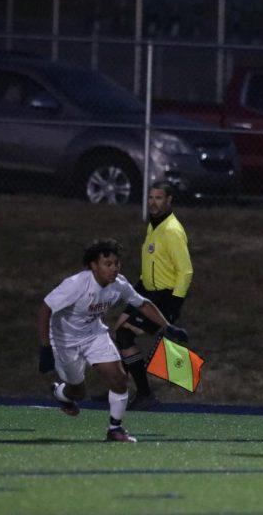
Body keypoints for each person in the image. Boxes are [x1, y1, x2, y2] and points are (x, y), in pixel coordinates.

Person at [37, 238, 188, 442]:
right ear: (93, 265)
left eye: (117, 263)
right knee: (78, 391)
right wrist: (45, 348)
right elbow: (45, 310)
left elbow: (142, 304)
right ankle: (62, 394)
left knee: (118, 377)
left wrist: (168, 327)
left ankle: (115, 429)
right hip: (65, 341)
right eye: (108, 264)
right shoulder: (76, 285)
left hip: (94, 335)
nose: (114, 268)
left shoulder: (119, 285)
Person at [114, 181, 193, 410]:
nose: (153, 202)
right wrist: (134, 295)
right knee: (119, 330)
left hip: (162, 296)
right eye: (151, 198)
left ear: (169, 201)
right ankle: (119, 386)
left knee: (125, 335)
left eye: (159, 198)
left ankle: (144, 393)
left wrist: (174, 305)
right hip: (147, 292)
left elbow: (186, 271)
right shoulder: (154, 226)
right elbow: (151, 266)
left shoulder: (172, 230)